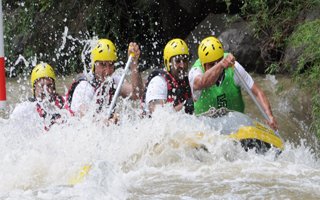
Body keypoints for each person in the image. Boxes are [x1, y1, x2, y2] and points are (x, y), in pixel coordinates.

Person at [189, 36, 278, 130]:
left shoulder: (233, 66)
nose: (216, 66)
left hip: (237, 126)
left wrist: (269, 115)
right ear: (203, 65)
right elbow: (202, 83)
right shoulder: (195, 72)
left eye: (219, 61)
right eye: (211, 64)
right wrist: (220, 64)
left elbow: (257, 93)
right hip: (208, 130)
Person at [66, 39, 144, 120]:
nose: (107, 71)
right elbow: (84, 117)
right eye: (103, 64)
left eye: (111, 65)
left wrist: (134, 63)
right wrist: (103, 122)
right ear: (94, 65)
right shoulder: (84, 87)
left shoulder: (114, 80)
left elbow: (136, 94)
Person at [142, 38, 193, 115]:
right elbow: (158, 115)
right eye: (178, 61)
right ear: (168, 63)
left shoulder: (186, 82)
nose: (182, 65)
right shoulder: (158, 82)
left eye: (185, 60)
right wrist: (184, 106)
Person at [11, 63, 66, 130]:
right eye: (41, 86)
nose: (45, 90)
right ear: (34, 88)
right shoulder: (24, 110)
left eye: (49, 85)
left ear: (53, 87)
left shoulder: (65, 103)